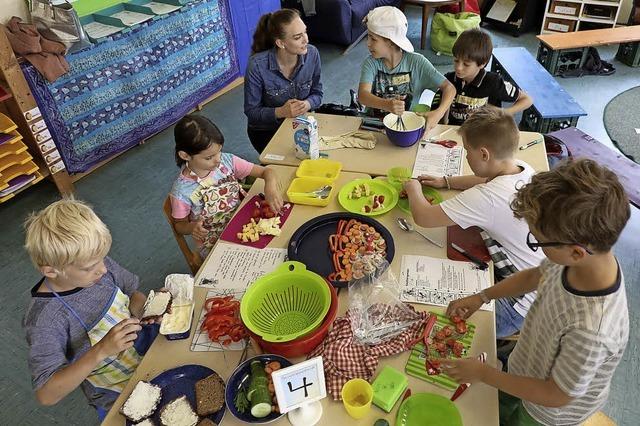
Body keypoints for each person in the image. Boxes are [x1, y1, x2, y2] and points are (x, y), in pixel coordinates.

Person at [443, 159, 630, 425]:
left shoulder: (593, 329)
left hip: (545, 412)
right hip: (524, 366)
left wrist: (484, 374)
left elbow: (556, 394)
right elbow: (534, 275)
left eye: (537, 241)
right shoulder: (575, 259)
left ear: (576, 252)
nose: (537, 247)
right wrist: (482, 297)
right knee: (499, 409)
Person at [403, 106, 545, 337]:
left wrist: (413, 188)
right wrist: (447, 181)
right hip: (539, 280)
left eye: (467, 151)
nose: (466, 157)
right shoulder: (522, 168)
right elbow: (486, 178)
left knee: (434, 323)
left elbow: (423, 217)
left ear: (484, 154)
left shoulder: (487, 199)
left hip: (520, 305)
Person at [23, 199, 164, 419]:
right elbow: (46, 394)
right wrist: (102, 350)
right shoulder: (45, 319)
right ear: (51, 271)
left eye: (102, 259)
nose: (103, 270)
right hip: (118, 392)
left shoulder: (96, 263)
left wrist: (146, 310)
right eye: (91, 267)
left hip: (151, 352)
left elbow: (133, 293)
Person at [169, 114, 283, 256]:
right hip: (215, 243)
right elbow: (179, 226)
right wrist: (192, 227)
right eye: (209, 157)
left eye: (219, 151)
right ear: (185, 155)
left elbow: (268, 171)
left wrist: (270, 187)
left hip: (245, 222)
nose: (217, 160)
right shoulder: (182, 191)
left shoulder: (227, 162)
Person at [357, 6, 455, 132]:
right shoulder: (370, 63)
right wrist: (387, 104)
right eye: (368, 37)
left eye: (373, 39)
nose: (368, 43)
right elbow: (363, 95)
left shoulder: (417, 62)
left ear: (391, 42)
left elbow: (450, 88)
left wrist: (438, 113)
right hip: (375, 126)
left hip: (408, 127)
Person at [244, 8, 323, 153]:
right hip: (266, 132)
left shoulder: (312, 54)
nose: (306, 39)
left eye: (305, 32)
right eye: (298, 37)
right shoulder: (256, 66)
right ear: (280, 43)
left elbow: (318, 94)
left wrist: (307, 103)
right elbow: (251, 112)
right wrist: (280, 112)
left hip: (301, 125)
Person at [436, 28, 533, 125]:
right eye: (456, 60)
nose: (458, 68)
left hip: (483, 133)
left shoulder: (493, 81)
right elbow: (439, 108)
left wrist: (506, 112)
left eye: (466, 64)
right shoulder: (448, 80)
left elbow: (527, 100)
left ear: (482, 64)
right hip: (454, 132)